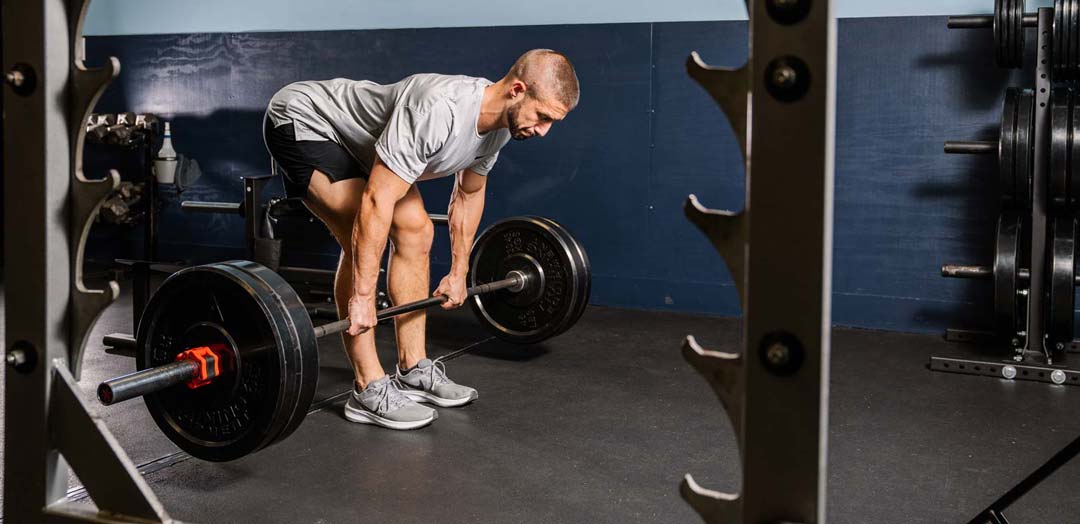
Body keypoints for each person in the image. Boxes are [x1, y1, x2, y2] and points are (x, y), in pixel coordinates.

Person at [262, 49, 579, 430]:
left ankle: (413, 367)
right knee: (357, 232)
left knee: (417, 230)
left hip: (359, 142)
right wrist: (363, 298)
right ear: (516, 90)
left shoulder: (500, 130)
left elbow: (469, 194)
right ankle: (367, 387)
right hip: (306, 118)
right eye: (543, 117)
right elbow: (377, 200)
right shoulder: (439, 110)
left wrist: (460, 270)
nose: (543, 130)